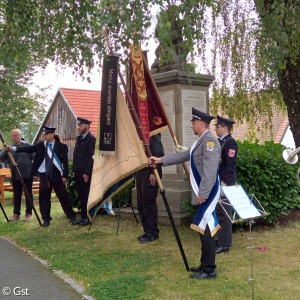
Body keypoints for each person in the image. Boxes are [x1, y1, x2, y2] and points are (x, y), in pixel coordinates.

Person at [150, 107, 221, 280]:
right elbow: (184, 155)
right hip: (204, 193)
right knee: (204, 230)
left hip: (208, 194)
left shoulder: (210, 141)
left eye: (193, 123)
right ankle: (205, 265)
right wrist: (161, 160)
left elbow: (211, 171)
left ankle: (209, 269)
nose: (191, 126)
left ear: (201, 124)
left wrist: (203, 193)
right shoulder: (200, 141)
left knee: (206, 230)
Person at [7, 126, 77, 227]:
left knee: (63, 196)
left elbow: (65, 163)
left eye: (47, 134)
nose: (45, 136)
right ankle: (46, 219)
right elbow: (29, 149)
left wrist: (65, 176)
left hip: (56, 175)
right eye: (44, 134)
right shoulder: (41, 144)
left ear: (52, 134)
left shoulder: (61, 146)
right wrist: (13, 148)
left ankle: (71, 216)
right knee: (43, 197)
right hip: (44, 175)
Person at [214, 115, 238, 254]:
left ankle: (225, 244)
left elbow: (230, 165)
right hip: (219, 181)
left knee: (225, 214)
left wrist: (226, 184)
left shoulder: (230, 143)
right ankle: (222, 240)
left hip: (226, 182)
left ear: (225, 128)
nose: (216, 129)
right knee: (220, 212)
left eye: (218, 127)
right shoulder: (220, 141)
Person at [0, 129, 34, 222]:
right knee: (17, 194)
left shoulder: (27, 146)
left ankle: (28, 213)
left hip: (27, 174)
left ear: (20, 135)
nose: (14, 137)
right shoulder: (9, 147)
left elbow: (34, 157)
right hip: (15, 175)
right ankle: (16, 214)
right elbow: (1, 158)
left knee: (28, 194)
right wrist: (4, 150)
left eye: (15, 135)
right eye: (12, 136)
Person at [137, 133, 164, 243]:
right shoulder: (141, 131)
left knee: (148, 202)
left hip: (151, 172)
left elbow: (158, 152)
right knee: (141, 202)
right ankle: (147, 230)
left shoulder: (152, 131)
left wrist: (154, 172)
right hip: (141, 170)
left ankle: (152, 232)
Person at [72, 117, 96, 226]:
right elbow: (76, 155)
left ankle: (88, 217)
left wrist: (87, 172)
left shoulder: (91, 139)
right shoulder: (79, 138)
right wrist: (74, 169)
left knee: (86, 195)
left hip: (85, 172)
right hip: (77, 171)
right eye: (78, 125)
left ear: (87, 125)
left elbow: (92, 157)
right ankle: (82, 217)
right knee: (81, 195)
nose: (79, 127)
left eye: (81, 125)